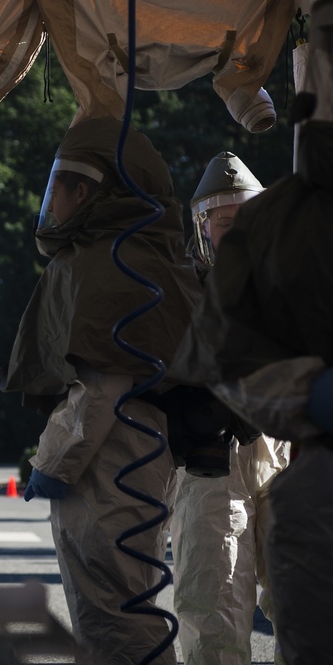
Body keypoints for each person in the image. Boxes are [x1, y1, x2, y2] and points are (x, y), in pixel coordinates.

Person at [0, 117, 201, 664]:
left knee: (114, 618)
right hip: (126, 452)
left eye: (57, 189)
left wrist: (52, 463)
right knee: (111, 615)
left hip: (114, 459)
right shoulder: (133, 253)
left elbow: (101, 383)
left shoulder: (108, 261)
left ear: (84, 191)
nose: (52, 203)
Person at [172, 5, 333, 660]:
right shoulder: (187, 284)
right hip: (214, 465)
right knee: (214, 602)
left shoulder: (283, 261)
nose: (228, 226)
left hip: (276, 448)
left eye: (239, 213)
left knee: (282, 594)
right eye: (218, 216)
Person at [170, 152, 291, 665]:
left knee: (307, 602)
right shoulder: (179, 292)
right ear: (203, 229)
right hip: (211, 469)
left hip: (285, 459)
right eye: (225, 224)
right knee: (214, 607)